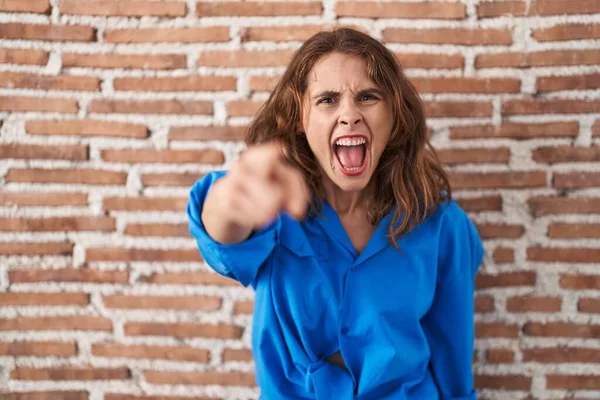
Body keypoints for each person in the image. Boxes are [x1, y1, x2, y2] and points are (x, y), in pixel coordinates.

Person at [187, 28, 484, 400]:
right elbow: (221, 233)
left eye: (368, 97)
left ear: (393, 116)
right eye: (327, 99)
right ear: (300, 118)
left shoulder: (442, 224)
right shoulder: (275, 207)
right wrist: (230, 198)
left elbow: (452, 344)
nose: (349, 115)